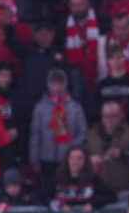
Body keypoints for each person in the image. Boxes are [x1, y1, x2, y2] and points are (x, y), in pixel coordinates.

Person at [30, 69, 87, 201]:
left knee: (65, 190)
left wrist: (73, 152)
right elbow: (35, 134)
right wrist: (34, 158)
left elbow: (82, 131)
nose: (57, 87)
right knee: (48, 191)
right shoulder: (40, 107)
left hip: (68, 159)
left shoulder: (75, 107)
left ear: (65, 84)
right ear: (49, 85)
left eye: (60, 83)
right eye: (54, 84)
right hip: (46, 158)